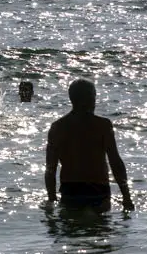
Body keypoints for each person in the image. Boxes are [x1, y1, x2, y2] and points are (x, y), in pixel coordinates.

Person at [45, 78, 135, 212]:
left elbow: (50, 169)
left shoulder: (58, 127)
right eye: (94, 96)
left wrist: (51, 199)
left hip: (70, 191)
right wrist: (126, 196)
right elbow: (115, 162)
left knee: (71, 229)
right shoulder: (103, 125)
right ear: (90, 98)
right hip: (98, 191)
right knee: (98, 229)